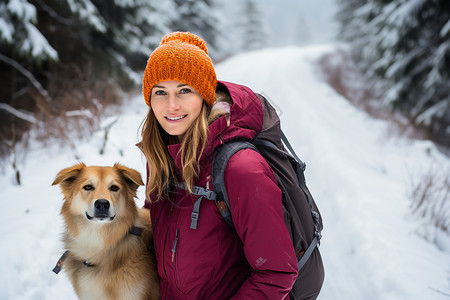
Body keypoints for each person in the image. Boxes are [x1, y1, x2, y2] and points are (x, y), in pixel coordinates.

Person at [139, 32, 305, 299]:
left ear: (205, 95)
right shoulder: (160, 157)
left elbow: (277, 272)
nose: (171, 105)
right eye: (160, 92)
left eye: (184, 90)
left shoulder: (240, 169)